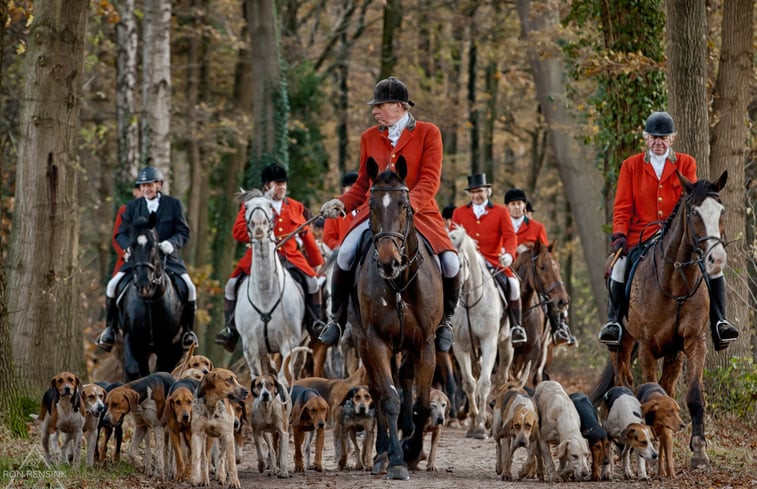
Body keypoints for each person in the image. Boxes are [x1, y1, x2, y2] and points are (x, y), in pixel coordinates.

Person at [318, 76, 461, 353]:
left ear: (398, 106)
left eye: (379, 106)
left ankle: (445, 322)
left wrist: (409, 205)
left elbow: (430, 180)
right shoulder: (369, 137)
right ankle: (336, 321)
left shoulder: (429, 133)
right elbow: (361, 185)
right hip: (377, 215)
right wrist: (340, 203)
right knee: (345, 253)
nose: (374, 111)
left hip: (419, 212)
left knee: (452, 263)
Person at [598, 111, 739, 350]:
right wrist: (620, 235)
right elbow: (622, 206)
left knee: (713, 267)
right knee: (619, 266)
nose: (658, 142)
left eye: (664, 137)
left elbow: (694, 201)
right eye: (654, 137)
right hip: (640, 236)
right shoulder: (630, 166)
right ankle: (614, 324)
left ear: (672, 139)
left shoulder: (686, 163)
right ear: (646, 138)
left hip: (678, 236)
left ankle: (720, 323)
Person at [214, 164, 325, 352]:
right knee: (231, 285)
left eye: (284, 183)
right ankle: (231, 330)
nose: (282, 187)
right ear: (267, 186)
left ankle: (316, 324)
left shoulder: (295, 206)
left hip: (290, 257)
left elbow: (306, 235)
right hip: (258, 257)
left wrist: (316, 262)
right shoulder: (252, 205)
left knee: (313, 283)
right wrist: (257, 233)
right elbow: (237, 231)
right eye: (277, 183)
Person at [97, 166, 198, 351]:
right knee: (112, 286)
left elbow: (183, 231)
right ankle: (110, 330)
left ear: (158, 185)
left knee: (190, 288)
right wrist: (128, 247)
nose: (146, 189)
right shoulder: (132, 207)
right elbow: (120, 234)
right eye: (143, 185)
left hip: (168, 260)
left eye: (150, 185)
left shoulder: (173, 204)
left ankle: (188, 333)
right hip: (139, 261)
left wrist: (172, 243)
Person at [451, 174, 526, 344]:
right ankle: (445, 324)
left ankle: (516, 327)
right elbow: (452, 238)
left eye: (480, 191)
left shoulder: (500, 212)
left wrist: (508, 254)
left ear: (488, 191)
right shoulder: (459, 212)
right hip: (467, 263)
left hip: (494, 263)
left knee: (514, 285)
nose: (477, 195)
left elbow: (510, 237)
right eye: (473, 192)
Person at [505, 187, 575, 346]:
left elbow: (545, 254)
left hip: (530, 274)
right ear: (507, 207)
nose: (516, 207)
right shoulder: (502, 225)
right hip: (507, 270)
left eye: (519, 203)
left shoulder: (537, 227)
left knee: (546, 295)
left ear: (524, 206)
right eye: (513, 204)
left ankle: (559, 329)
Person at [322, 171, 358, 252]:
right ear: (344, 189)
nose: (354, 190)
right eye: (350, 187)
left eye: (356, 188)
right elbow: (328, 238)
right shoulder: (335, 209)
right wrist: (343, 247)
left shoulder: (369, 208)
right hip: (343, 254)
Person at [111, 184, 143, 276]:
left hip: (151, 260)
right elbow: (116, 238)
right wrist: (125, 253)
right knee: (112, 286)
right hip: (127, 260)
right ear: (135, 192)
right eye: (141, 190)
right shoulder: (124, 210)